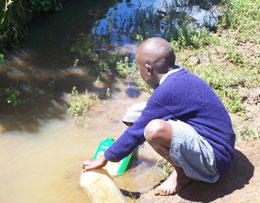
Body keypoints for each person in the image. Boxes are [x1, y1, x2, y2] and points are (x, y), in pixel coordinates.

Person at [81, 37, 236, 196]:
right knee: (135, 114)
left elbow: (137, 132)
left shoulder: (168, 91)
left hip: (215, 159)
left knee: (153, 130)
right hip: (218, 144)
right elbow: (140, 121)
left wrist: (105, 158)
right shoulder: (179, 76)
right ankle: (181, 164)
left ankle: (182, 175)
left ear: (148, 69)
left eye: (139, 68)